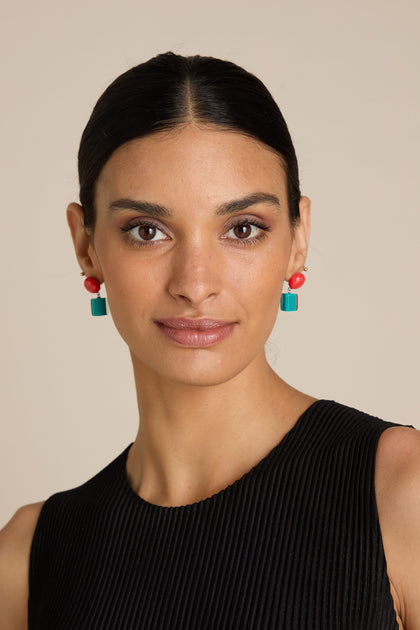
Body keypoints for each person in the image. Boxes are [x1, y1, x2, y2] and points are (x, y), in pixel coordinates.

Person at [0, 52, 419, 630]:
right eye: (147, 231)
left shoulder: (402, 493)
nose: (195, 284)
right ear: (86, 245)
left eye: (243, 229)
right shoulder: (28, 559)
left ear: (298, 240)